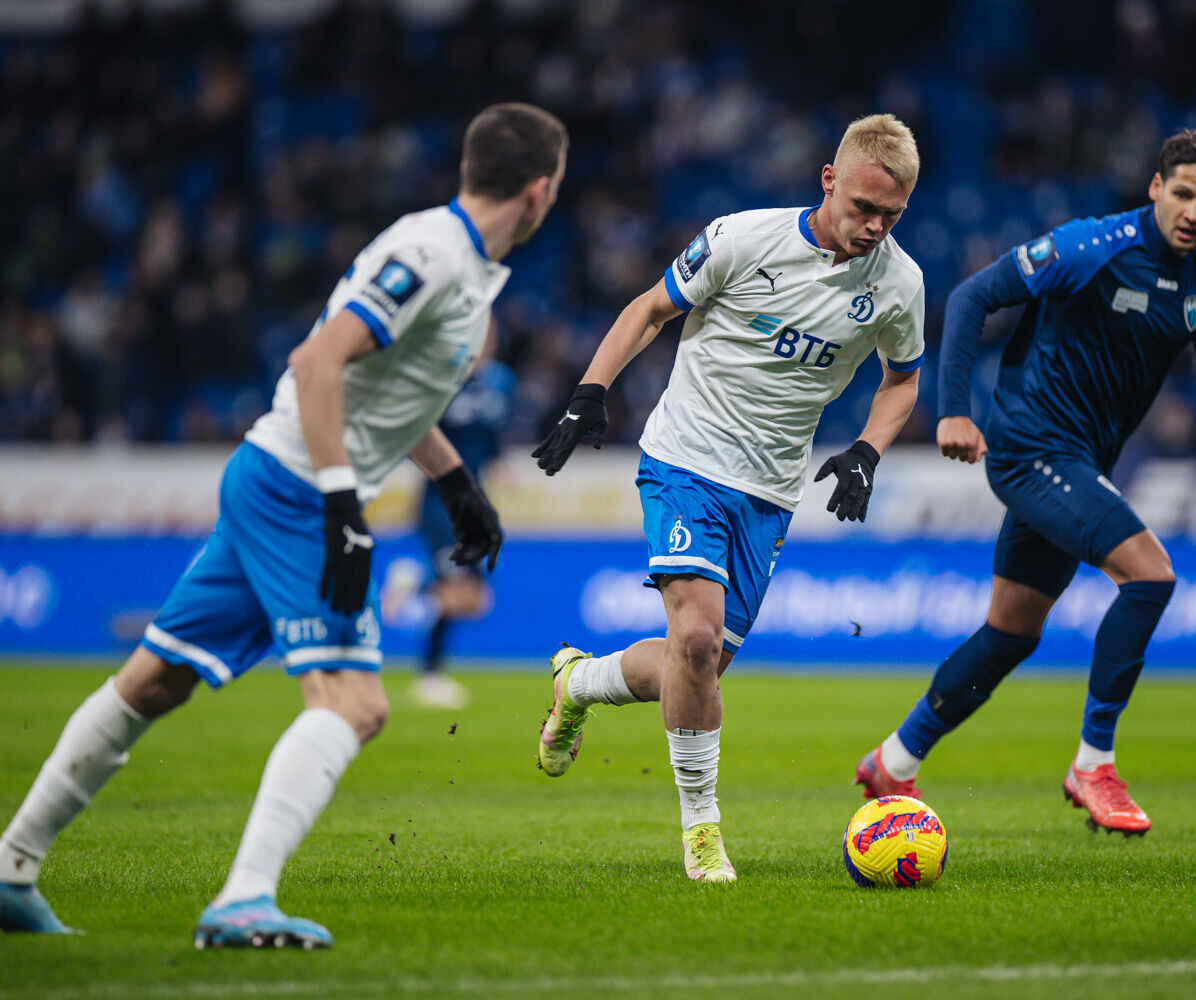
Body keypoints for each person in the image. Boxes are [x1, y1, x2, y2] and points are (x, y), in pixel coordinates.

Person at [0, 103, 566, 945]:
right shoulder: (432, 255)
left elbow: (390, 395)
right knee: (355, 701)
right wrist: (342, 500)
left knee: (157, 680)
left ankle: (11, 869)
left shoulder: (466, 265)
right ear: (539, 191)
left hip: (276, 478)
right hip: (296, 491)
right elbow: (316, 362)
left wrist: (455, 485)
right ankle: (242, 901)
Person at [855, 129, 1196, 837]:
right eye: (1181, 193)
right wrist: (955, 411)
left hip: (1081, 462)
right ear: (1156, 188)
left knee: (1010, 634)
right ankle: (1094, 763)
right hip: (1029, 447)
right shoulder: (1093, 245)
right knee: (1150, 577)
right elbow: (971, 298)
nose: (1192, 210)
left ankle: (894, 761)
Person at [531, 114, 926, 882]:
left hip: (770, 494)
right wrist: (589, 392)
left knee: (696, 666)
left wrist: (869, 451)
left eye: (891, 216)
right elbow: (650, 308)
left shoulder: (899, 285)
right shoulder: (742, 239)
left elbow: (902, 380)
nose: (874, 227)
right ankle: (702, 833)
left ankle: (577, 681)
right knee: (698, 640)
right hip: (685, 460)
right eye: (863, 208)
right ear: (828, 180)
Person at [404, 321, 515, 710]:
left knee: (475, 600)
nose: (486, 343)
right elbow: (413, 438)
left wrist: (501, 467)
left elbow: (495, 437)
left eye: (491, 335)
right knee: (456, 594)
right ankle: (429, 675)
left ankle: (413, 588)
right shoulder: (440, 382)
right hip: (440, 504)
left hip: (475, 502)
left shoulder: (501, 381)